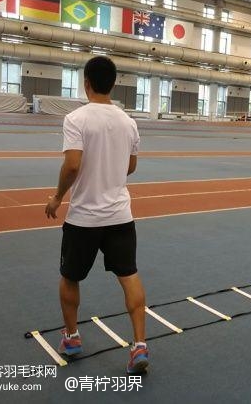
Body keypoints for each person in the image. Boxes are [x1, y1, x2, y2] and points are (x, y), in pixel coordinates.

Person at [44, 56, 149, 375]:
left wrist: (57, 197)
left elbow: (72, 165)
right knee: (129, 276)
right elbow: (131, 166)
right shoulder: (129, 122)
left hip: (84, 219)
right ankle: (139, 346)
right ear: (113, 84)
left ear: (86, 83)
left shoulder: (76, 119)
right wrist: (110, 171)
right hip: (120, 216)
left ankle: (72, 338)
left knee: (70, 277)